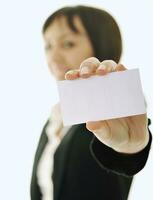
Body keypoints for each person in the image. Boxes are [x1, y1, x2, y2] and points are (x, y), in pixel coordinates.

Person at [30, 5, 152, 200]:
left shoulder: (117, 107)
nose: (53, 57)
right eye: (48, 46)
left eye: (68, 44)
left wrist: (129, 148)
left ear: (101, 44)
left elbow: (124, 154)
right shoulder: (54, 120)